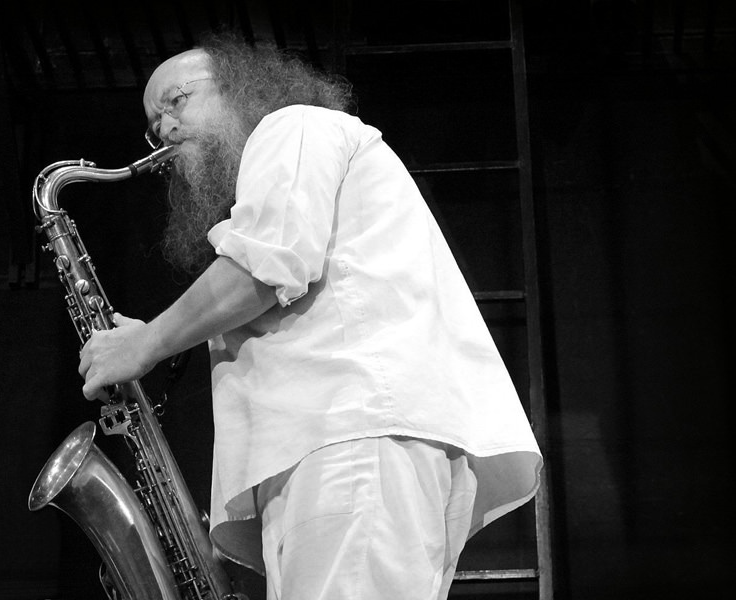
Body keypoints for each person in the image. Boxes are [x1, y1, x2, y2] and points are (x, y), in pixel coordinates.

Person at [78, 33, 542, 600]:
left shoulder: (292, 126)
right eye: (154, 125)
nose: (166, 130)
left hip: (350, 439)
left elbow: (265, 265)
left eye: (176, 100)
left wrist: (147, 343)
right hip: (350, 447)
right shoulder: (298, 155)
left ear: (242, 86)